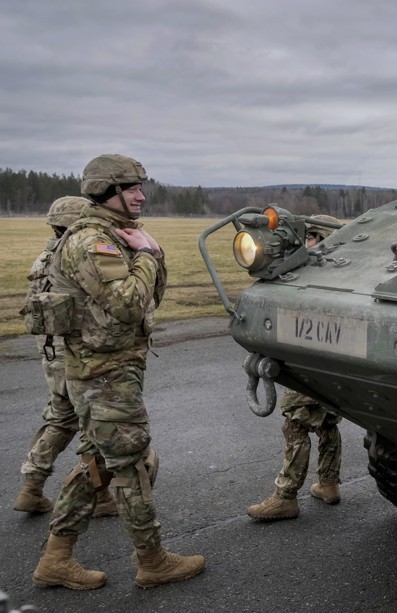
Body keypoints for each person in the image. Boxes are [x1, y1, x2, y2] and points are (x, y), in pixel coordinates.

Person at [31, 154, 204, 590]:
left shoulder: (114, 234)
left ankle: (56, 558)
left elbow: (151, 298)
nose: (141, 195)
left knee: (97, 463)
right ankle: (153, 561)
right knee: (134, 464)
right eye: (132, 189)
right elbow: (128, 305)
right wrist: (146, 255)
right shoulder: (93, 241)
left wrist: (151, 252)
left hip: (109, 371)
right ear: (108, 191)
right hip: (103, 375)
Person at [14, 196, 117, 519]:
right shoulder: (79, 257)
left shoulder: (44, 258)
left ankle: (32, 485)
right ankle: (98, 496)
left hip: (51, 350)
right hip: (76, 351)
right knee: (91, 423)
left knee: (61, 417)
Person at [247, 215, 343, 521]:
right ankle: (328, 484)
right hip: (333, 363)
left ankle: (285, 496)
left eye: (312, 237)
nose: (305, 243)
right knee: (327, 423)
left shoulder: (315, 271)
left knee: (295, 423)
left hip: (310, 363)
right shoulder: (339, 271)